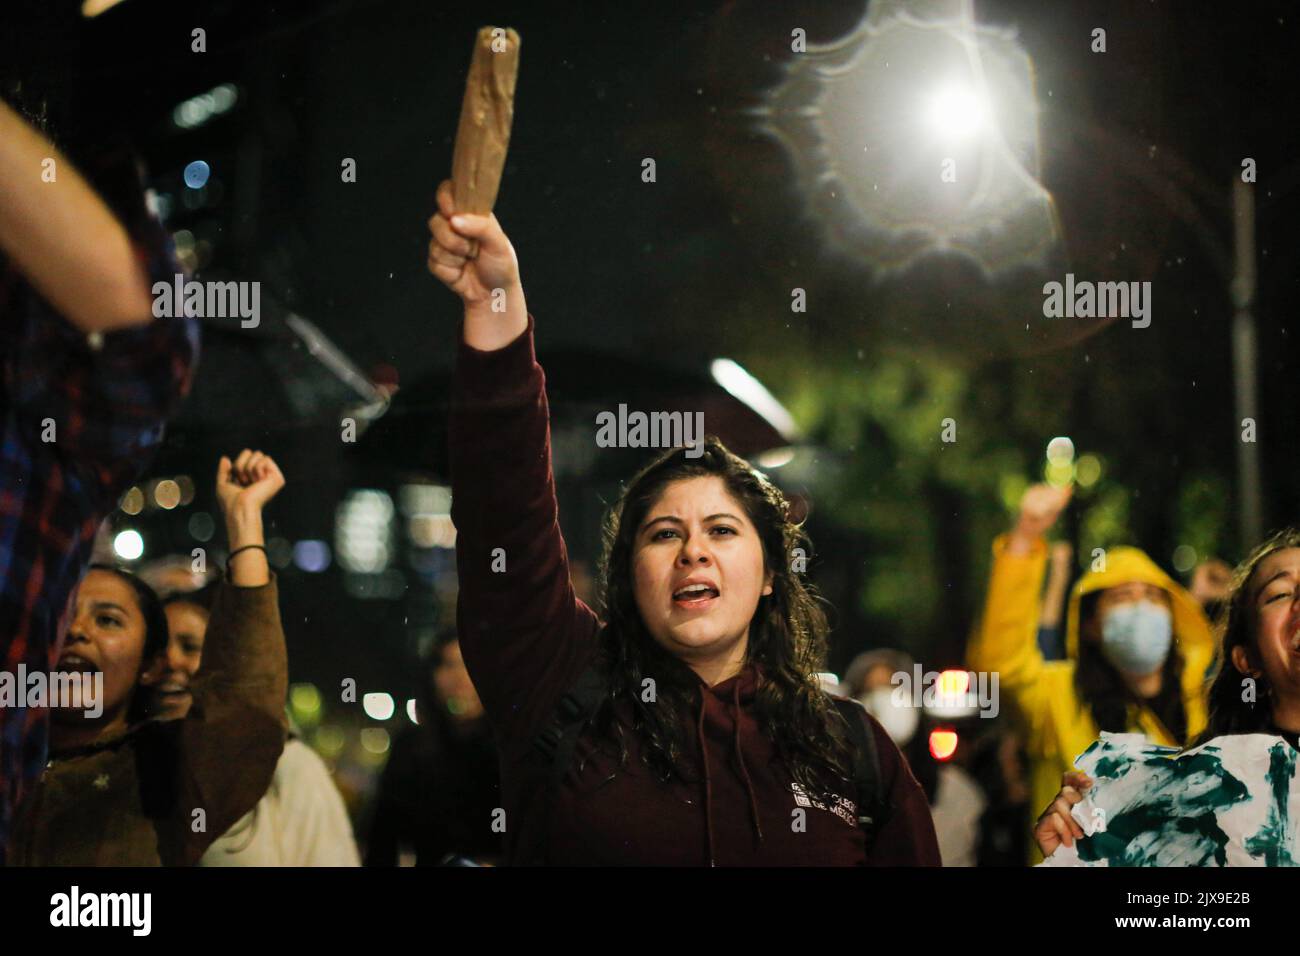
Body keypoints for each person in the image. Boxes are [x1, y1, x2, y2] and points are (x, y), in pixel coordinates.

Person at [427, 179, 939, 865]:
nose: (693, 550)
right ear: (628, 575)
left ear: (767, 577)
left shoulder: (853, 749)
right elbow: (503, 513)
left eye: (723, 531)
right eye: (664, 533)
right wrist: (495, 303)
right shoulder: (563, 691)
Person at [0, 97, 199, 861]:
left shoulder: (39, 449)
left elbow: (144, 332)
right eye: (80, 617)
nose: (77, 631)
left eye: (110, 621)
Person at [6, 452, 287, 865]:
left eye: (108, 619)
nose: (77, 630)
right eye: (63, 616)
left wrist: (243, 520)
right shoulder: (11, 752)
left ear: (151, 665)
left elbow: (245, 705)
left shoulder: (169, 772)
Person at [967, 482, 1214, 862]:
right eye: (1121, 597)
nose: (1139, 607)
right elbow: (1001, 662)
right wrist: (1025, 539)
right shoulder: (1056, 693)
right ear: (1091, 625)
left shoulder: (1207, 699)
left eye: (1151, 596)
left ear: (1173, 615)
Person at [1033, 527, 1300, 860]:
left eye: (1151, 595)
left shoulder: (1198, 695)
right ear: (1247, 659)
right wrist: (1075, 859)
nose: (1140, 609)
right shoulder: (1228, 780)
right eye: (1280, 595)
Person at [149, 576, 361, 866]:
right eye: (157, 650)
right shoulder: (131, 762)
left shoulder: (288, 765)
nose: (171, 661)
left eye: (191, 647)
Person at [365, 632, 501, 866]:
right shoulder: (412, 748)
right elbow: (383, 835)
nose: (460, 677)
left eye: (470, 664)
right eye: (449, 665)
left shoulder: (511, 749)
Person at [843, 649, 987, 866]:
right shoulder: (834, 794)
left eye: (893, 690)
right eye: (870, 691)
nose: (883, 704)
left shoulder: (959, 794)